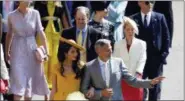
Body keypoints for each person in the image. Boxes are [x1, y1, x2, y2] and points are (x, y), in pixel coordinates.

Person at [80, 39, 165, 100]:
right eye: (107, 51)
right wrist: (101, 93)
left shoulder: (118, 62)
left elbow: (132, 80)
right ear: (98, 51)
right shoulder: (89, 67)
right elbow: (84, 90)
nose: (110, 52)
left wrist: (150, 82)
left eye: (111, 49)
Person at [5, 1, 49, 100]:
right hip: (17, 50)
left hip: (32, 50)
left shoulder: (35, 13)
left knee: (29, 87)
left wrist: (46, 51)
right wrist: (6, 52)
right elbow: (9, 35)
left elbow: (41, 33)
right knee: (18, 85)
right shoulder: (11, 16)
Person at [130, 1, 170, 100]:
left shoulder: (160, 18)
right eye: (147, 2)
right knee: (140, 89)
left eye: (152, 2)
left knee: (155, 90)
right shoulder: (133, 19)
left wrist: (162, 57)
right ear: (140, 3)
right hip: (140, 61)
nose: (150, 4)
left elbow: (166, 38)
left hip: (155, 60)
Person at [34, 1, 72, 89]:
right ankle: (41, 82)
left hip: (56, 33)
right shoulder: (39, 2)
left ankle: (53, 81)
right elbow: (34, 18)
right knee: (43, 55)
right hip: (42, 33)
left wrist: (69, 36)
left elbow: (65, 18)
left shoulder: (61, 2)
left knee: (55, 56)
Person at [113, 17, 146, 100]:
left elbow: (142, 59)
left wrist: (138, 73)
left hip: (136, 78)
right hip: (123, 79)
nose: (130, 32)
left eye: (132, 29)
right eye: (128, 29)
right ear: (124, 30)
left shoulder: (141, 43)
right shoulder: (118, 44)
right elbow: (115, 61)